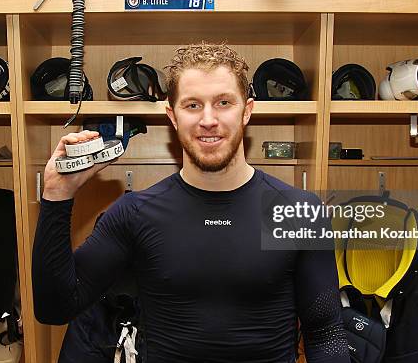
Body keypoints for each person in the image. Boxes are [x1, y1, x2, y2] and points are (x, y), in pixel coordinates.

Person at [32, 43, 350, 363]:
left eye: (223, 102)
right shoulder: (135, 214)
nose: (208, 119)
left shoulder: (299, 212)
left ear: (247, 111)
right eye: (193, 105)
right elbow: (55, 308)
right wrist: (56, 197)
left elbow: (325, 333)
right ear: (172, 116)